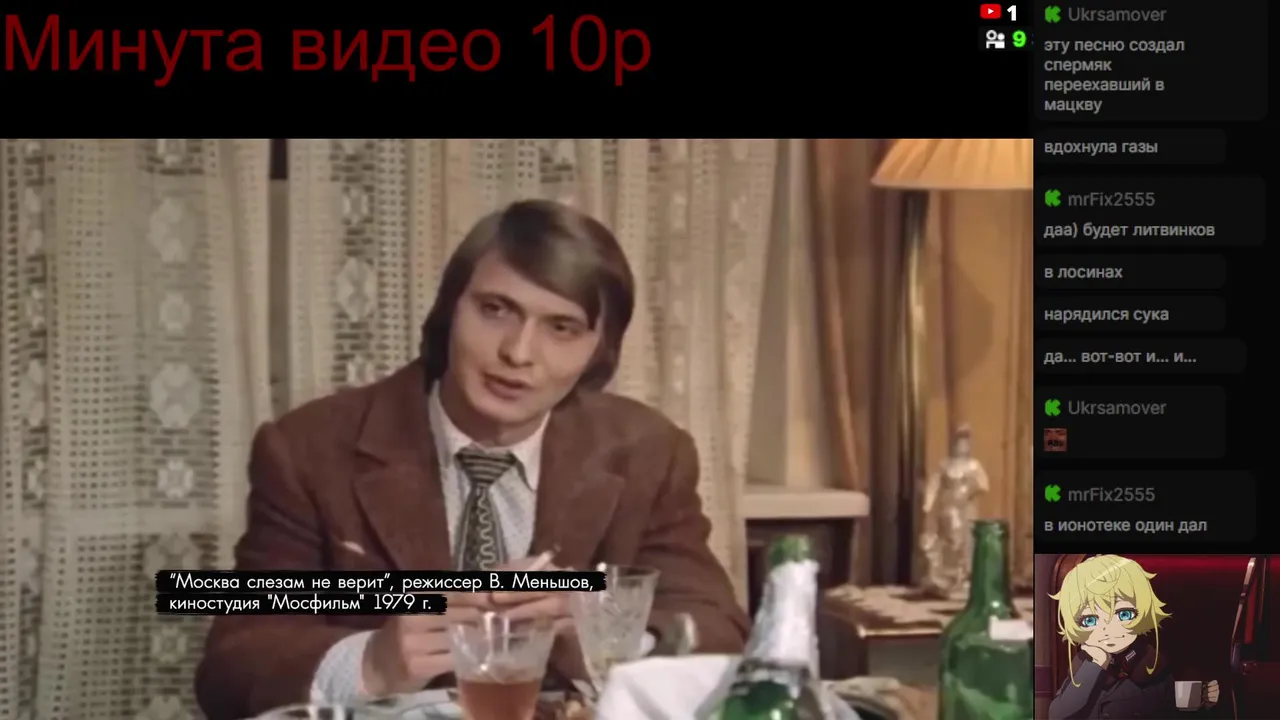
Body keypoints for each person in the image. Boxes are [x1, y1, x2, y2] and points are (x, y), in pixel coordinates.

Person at [195, 200, 749, 719]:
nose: (518, 353)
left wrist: (603, 631)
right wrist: (371, 663)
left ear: (598, 351)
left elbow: (718, 631)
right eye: (495, 310)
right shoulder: (309, 449)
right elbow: (231, 665)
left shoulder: (649, 453)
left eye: (561, 328)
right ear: (449, 310)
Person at [1048, 555, 1219, 719]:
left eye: (1123, 614)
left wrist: (1203, 698)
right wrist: (1095, 665)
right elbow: (1058, 713)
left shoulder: (1150, 663)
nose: (1108, 629)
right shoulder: (1082, 666)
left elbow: (1168, 702)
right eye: (1090, 620)